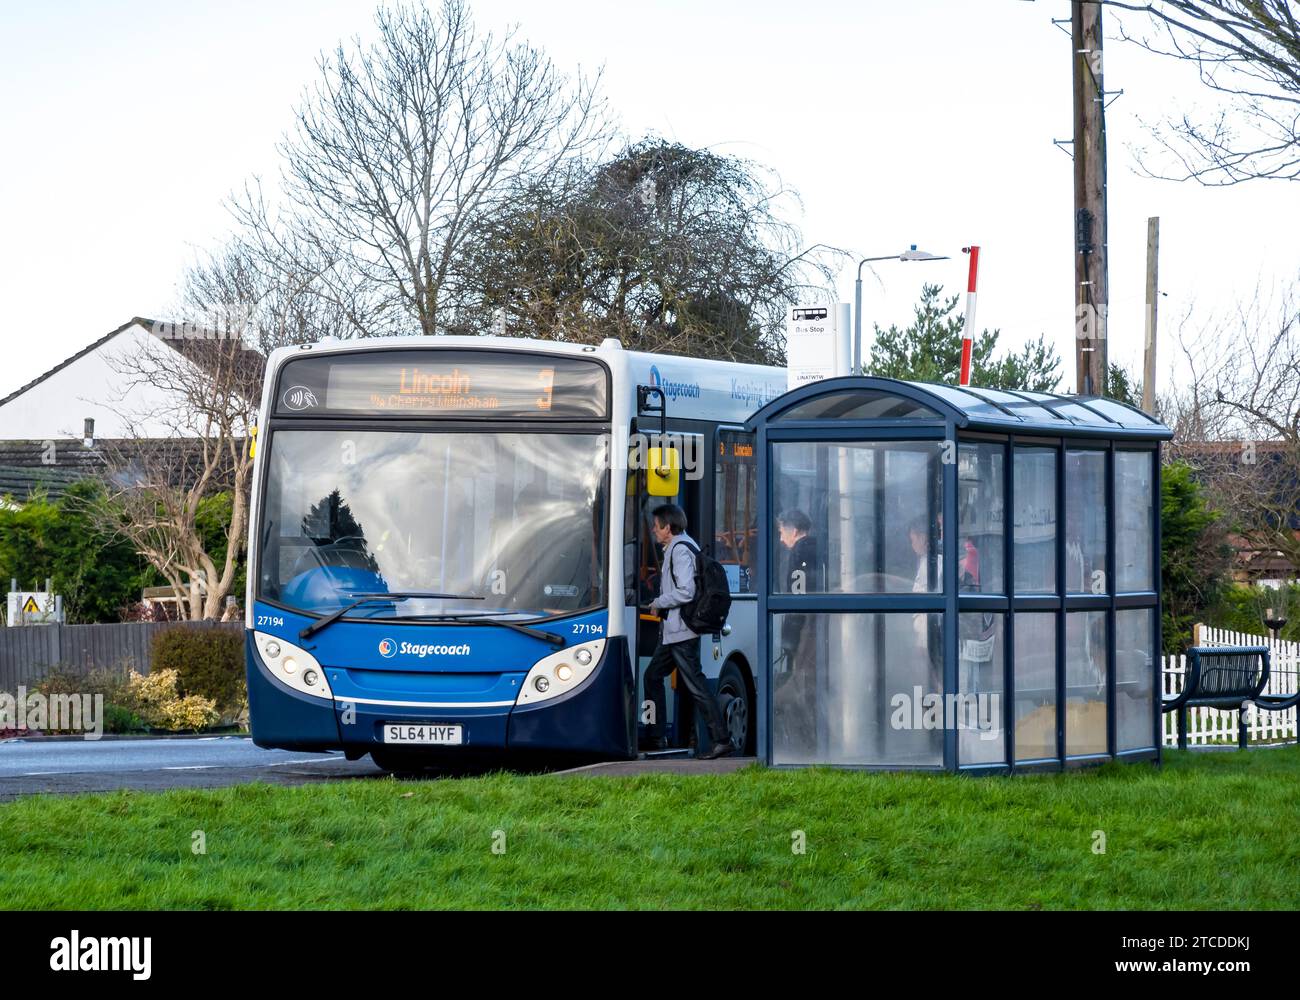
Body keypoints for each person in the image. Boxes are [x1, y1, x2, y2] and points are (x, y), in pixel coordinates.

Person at [642, 503, 733, 759]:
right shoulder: (679, 546)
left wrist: (658, 603)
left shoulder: (679, 550)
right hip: (674, 632)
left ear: (667, 528)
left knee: (696, 685)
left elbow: (686, 591)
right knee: (652, 676)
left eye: (656, 526)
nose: (653, 530)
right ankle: (656, 736)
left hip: (681, 632)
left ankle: (721, 739)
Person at [774, 509, 818, 755]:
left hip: (803, 631)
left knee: (798, 686)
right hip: (813, 628)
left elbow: (798, 594)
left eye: (782, 532)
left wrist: (789, 637)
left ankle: (804, 744)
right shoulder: (818, 548)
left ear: (793, 530)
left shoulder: (800, 552)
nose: (781, 538)